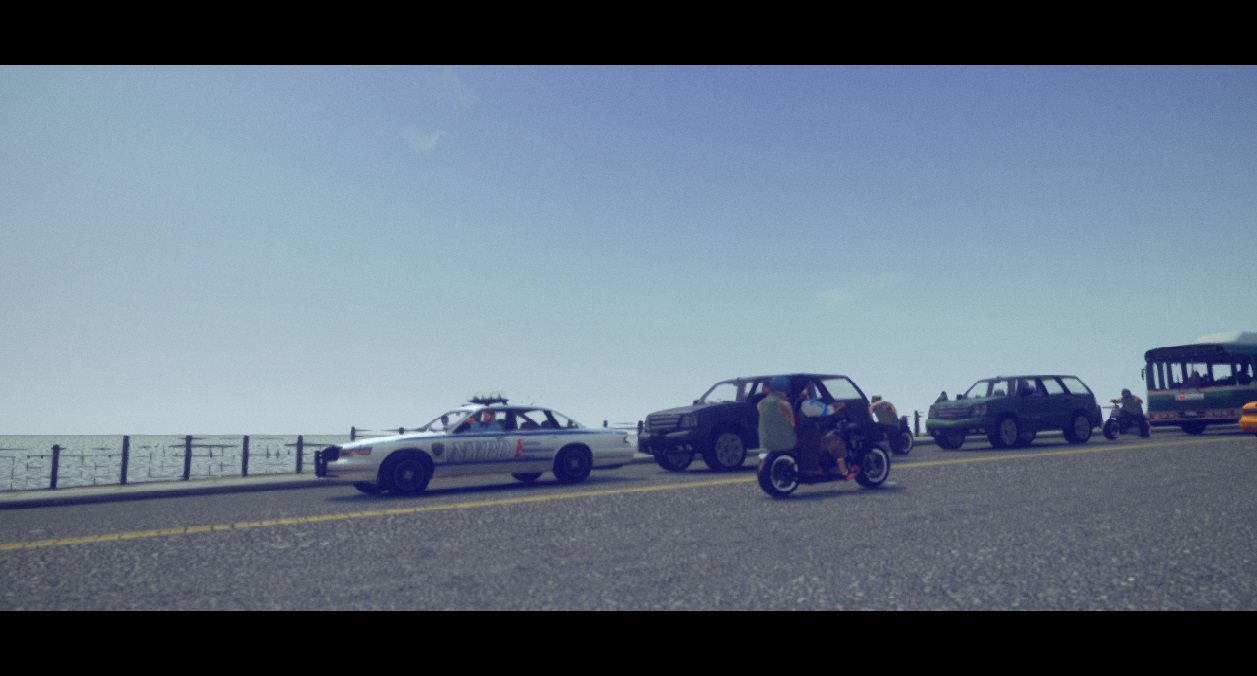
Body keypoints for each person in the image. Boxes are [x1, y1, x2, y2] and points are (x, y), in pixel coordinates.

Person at [799, 390, 855, 479]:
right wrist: (841, 405)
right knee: (837, 442)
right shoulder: (807, 405)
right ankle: (844, 473)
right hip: (810, 437)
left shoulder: (796, 403)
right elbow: (827, 410)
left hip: (802, 435)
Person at [757, 375, 798, 463]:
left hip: (765, 445)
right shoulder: (785, 404)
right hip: (785, 445)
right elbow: (793, 424)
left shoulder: (760, 404)